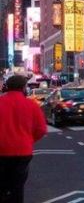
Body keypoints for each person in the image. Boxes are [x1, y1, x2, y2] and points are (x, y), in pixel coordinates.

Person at [0, 74, 47, 203]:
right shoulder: (31, 105)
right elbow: (41, 129)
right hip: (22, 151)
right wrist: (29, 140)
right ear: (23, 88)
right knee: (17, 186)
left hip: (2, 151)